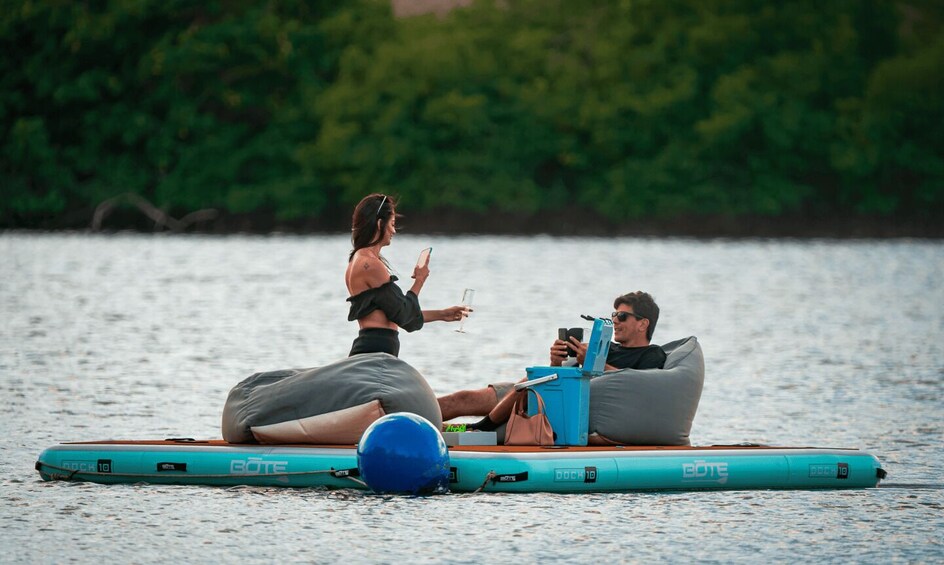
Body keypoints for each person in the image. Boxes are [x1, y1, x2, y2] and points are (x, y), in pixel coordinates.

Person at [437, 291, 666, 428]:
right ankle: (408, 416)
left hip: (562, 400)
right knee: (462, 398)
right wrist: (556, 361)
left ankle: (482, 428)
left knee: (532, 379)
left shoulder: (652, 355)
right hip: (542, 389)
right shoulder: (605, 348)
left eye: (622, 316)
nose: (615, 321)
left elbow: (638, 388)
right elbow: (559, 374)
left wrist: (594, 363)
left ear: (643, 323)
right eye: (614, 315)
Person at [345, 193, 469, 356]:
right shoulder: (370, 265)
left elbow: (398, 312)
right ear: (380, 223)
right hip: (375, 353)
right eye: (393, 224)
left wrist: (442, 314)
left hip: (373, 350)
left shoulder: (359, 260)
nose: (394, 231)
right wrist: (420, 280)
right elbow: (405, 316)